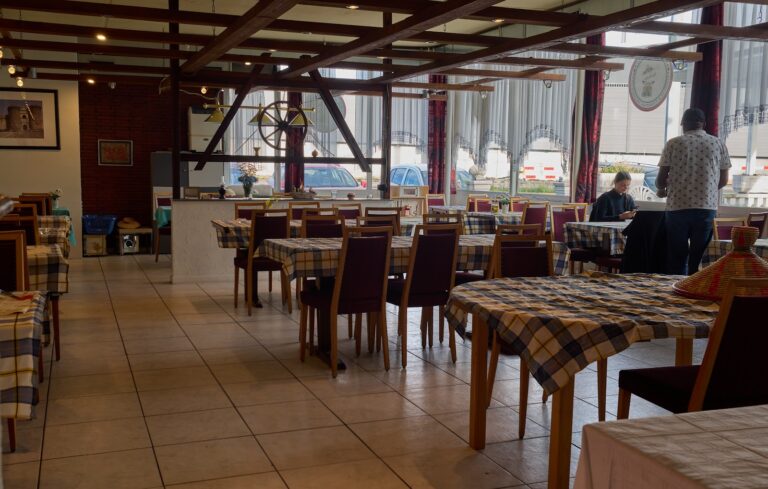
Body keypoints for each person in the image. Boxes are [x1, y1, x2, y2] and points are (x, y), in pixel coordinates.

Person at [656, 108, 731, 275]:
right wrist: (707, 190)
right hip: (706, 207)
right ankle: (696, 285)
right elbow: (724, 180)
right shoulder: (718, 144)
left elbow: (660, 180)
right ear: (703, 124)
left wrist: (663, 188)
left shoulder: (673, 143)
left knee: (677, 256)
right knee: (699, 257)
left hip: (677, 207)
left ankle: (676, 286)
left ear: (683, 123)